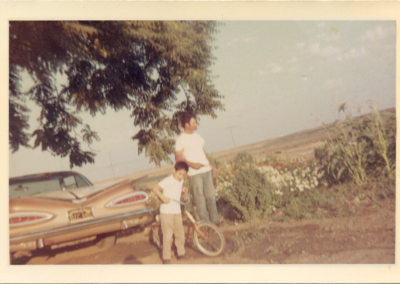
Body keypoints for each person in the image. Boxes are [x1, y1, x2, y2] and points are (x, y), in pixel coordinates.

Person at [175, 113, 220, 225]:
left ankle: (216, 222)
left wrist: (211, 165)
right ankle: (206, 225)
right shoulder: (181, 140)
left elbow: (202, 151)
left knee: (210, 197)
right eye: (193, 123)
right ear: (186, 125)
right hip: (195, 174)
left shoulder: (197, 136)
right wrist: (192, 164)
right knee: (200, 200)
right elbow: (178, 158)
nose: (196, 124)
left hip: (206, 170)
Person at [152, 161, 192, 264]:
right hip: (166, 212)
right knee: (168, 235)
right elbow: (155, 189)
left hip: (176, 211)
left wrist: (182, 190)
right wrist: (163, 197)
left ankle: (181, 253)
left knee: (180, 233)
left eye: (183, 175)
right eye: (179, 174)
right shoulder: (168, 180)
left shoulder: (180, 180)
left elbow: (176, 189)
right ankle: (166, 258)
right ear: (174, 170)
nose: (181, 176)